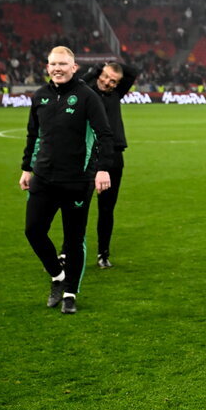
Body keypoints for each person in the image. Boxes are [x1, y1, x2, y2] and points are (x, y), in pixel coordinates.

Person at [21, 46, 113, 314]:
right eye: (53, 64)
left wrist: (103, 168)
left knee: (74, 239)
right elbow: (33, 135)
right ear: (47, 67)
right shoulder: (40, 97)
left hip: (77, 179)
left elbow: (104, 134)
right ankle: (57, 276)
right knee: (33, 230)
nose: (57, 68)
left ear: (74, 68)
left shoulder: (87, 97)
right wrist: (27, 168)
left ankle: (70, 293)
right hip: (43, 177)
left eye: (63, 64)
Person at [78, 61, 140, 268]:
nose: (107, 82)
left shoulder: (116, 93)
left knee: (107, 209)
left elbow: (133, 71)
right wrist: (98, 69)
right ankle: (68, 251)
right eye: (105, 77)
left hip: (113, 157)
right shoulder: (86, 92)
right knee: (77, 208)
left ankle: (103, 254)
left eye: (114, 81)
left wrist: (113, 69)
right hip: (87, 156)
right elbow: (78, 81)